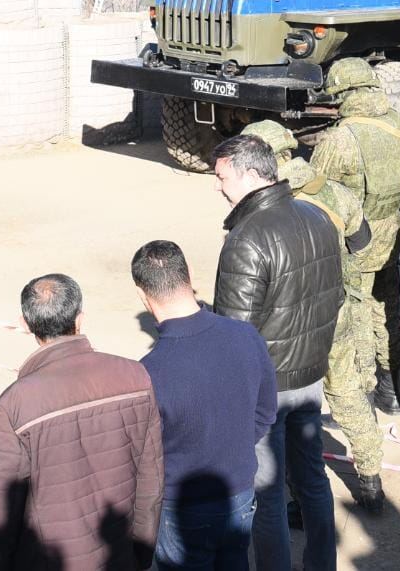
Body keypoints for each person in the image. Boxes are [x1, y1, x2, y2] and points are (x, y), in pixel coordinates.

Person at [211, 134, 343, 571]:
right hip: (311, 377)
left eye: (222, 177)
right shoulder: (318, 216)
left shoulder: (246, 238)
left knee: (267, 497)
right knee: (312, 480)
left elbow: (234, 333)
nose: (218, 187)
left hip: (266, 388)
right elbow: (335, 296)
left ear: (250, 175)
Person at [0, 274, 163, 570]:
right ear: (80, 319)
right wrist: (140, 554)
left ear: (25, 324)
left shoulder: (15, 404)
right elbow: (150, 481)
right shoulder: (135, 377)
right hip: (119, 555)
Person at [242, 120, 385, 514]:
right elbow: (363, 244)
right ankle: (372, 483)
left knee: (285, 410)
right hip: (337, 312)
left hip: (288, 324)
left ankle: (295, 500)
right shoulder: (337, 193)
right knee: (348, 394)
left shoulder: (261, 205)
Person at [131, 240, 276, 569]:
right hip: (240, 491)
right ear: (190, 275)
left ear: (143, 294)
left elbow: (144, 454)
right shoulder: (246, 336)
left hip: (182, 506)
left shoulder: (148, 372)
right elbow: (265, 412)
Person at [310, 58, 400, 416]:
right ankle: (391, 391)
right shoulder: (397, 123)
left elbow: (315, 192)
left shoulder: (339, 138)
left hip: (357, 241)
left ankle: (363, 401)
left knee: (357, 319)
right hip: (390, 234)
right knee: (386, 310)